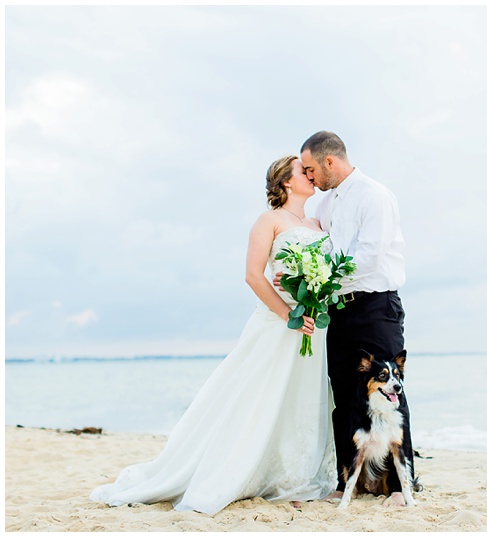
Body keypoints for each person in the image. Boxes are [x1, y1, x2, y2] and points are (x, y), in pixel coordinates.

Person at [90, 155, 337, 516]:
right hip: (278, 323)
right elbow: (254, 276)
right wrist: (288, 314)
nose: (312, 176)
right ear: (286, 181)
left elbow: (328, 272)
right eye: (304, 172)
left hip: (312, 326)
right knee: (257, 396)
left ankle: (295, 478)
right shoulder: (268, 221)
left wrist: (315, 294)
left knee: (300, 399)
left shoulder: (318, 222)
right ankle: (238, 469)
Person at [299, 131, 413, 507]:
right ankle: (346, 480)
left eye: (312, 168)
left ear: (330, 161)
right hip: (339, 312)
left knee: (390, 394)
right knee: (345, 396)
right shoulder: (326, 205)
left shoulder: (374, 196)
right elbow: (322, 248)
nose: (310, 176)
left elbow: (369, 257)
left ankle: (400, 486)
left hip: (376, 308)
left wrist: (324, 278)